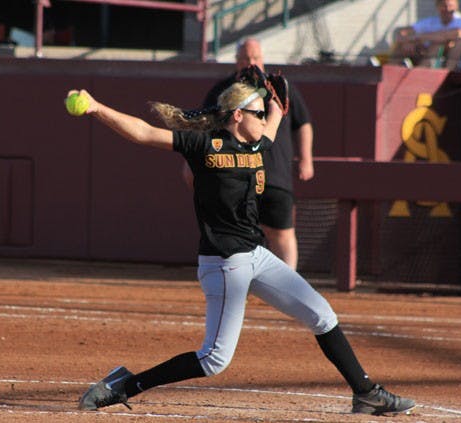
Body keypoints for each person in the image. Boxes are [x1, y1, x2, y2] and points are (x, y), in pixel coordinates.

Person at [71, 82, 416, 415]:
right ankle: (123, 386)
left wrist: (278, 105)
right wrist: (96, 108)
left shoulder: (257, 144)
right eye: (258, 114)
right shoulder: (204, 145)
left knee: (322, 315)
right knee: (214, 360)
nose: (264, 120)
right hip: (224, 263)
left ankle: (366, 394)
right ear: (237, 116)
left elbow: (275, 120)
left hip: (257, 255)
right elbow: (144, 133)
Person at [185, 38, 313, 270]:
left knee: (281, 233)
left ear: (263, 59)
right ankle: (239, 280)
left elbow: (302, 123)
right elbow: (203, 128)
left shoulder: (278, 86)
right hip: (235, 174)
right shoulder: (223, 91)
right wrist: (194, 167)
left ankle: (288, 282)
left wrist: (306, 158)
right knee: (240, 234)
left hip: (275, 174)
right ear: (236, 61)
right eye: (245, 58)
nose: (251, 63)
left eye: (255, 58)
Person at [392, 0, 461, 69]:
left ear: (456, 7)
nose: (447, 9)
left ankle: (425, 73)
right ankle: (389, 73)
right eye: (443, 6)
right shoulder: (431, 22)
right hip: (426, 52)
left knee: (439, 45)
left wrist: (419, 38)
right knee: (402, 46)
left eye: (450, 6)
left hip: (454, 55)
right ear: (438, 7)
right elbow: (402, 33)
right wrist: (411, 42)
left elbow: (456, 34)